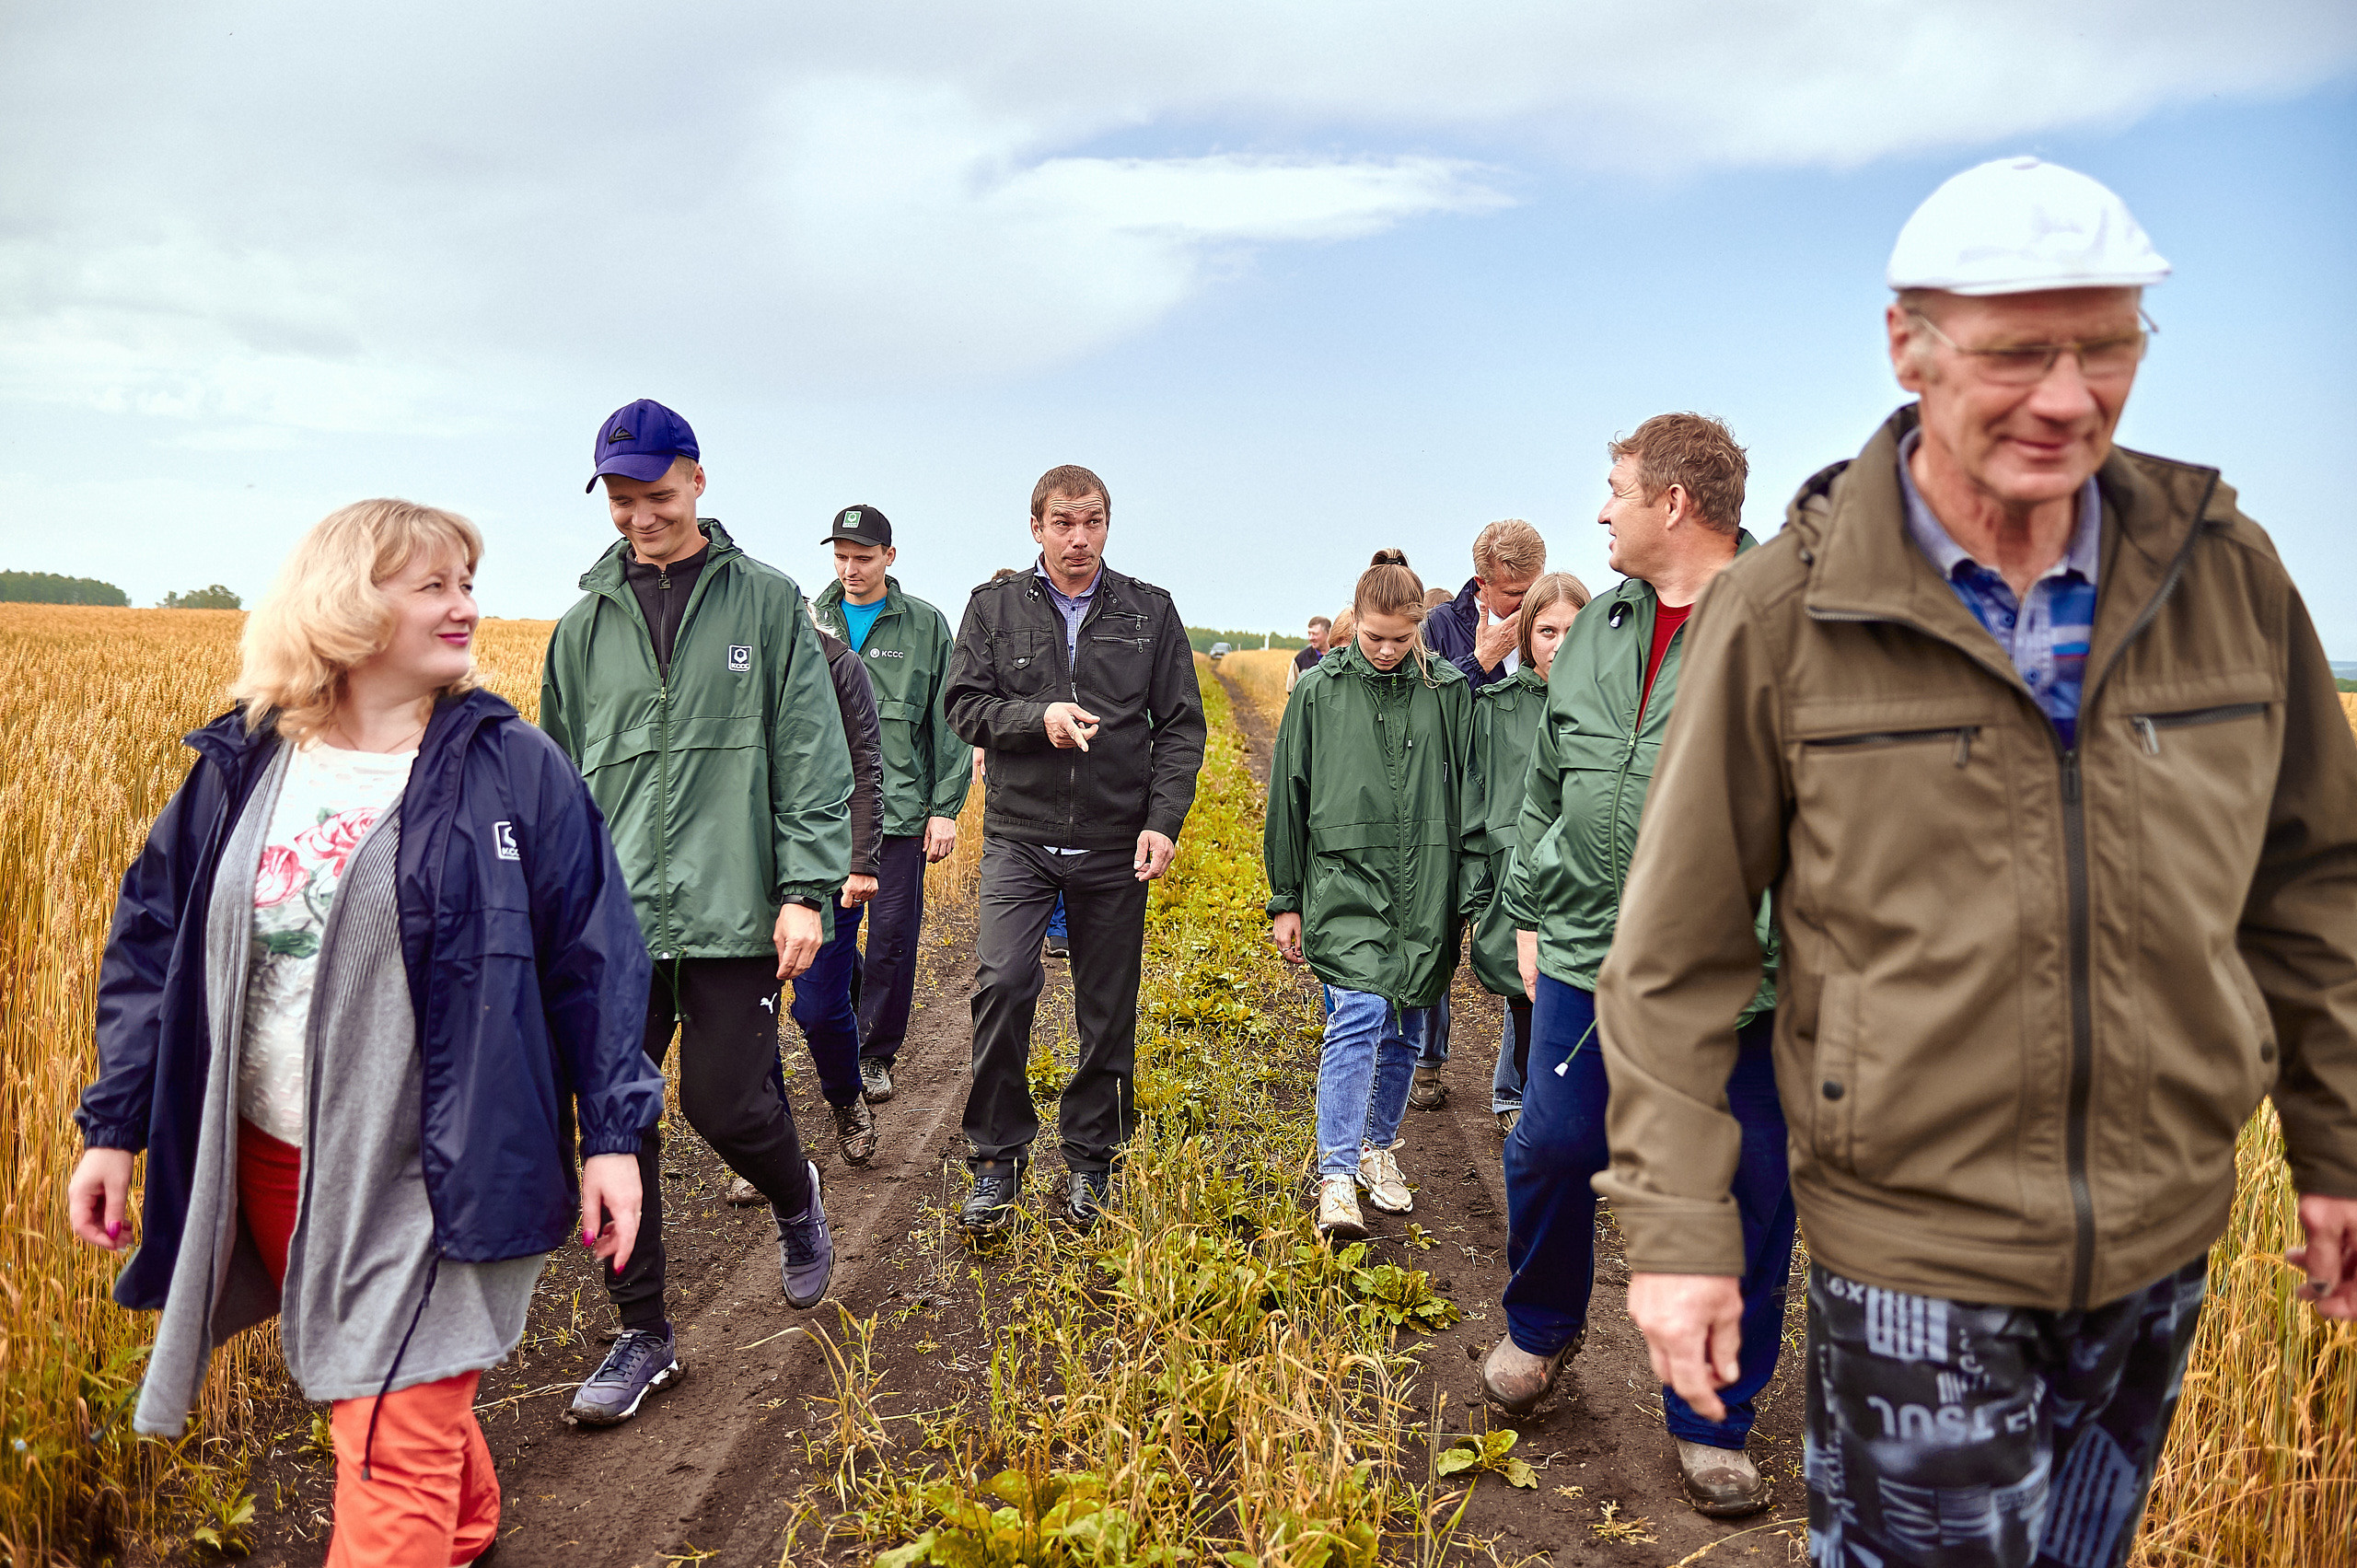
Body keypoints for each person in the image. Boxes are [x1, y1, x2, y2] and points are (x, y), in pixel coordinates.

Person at [1598, 158, 2357, 1568]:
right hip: (1914, 1249)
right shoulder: (1789, 607)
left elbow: (2314, 882)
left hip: (2158, 1236)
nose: (2069, 395)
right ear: (1911, 346)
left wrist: (2340, 1139)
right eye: (2018, 350)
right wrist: (1682, 1224)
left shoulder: (2228, 572)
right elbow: (1678, 952)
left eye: (2109, 344)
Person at [68, 501, 662, 1565]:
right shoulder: (245, 761)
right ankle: (469, 1523)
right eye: (432, 584)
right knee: (381, 1385)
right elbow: (153, 938)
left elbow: (595, 955)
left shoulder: (511, 768)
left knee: (389, 1434)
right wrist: (115, 1125)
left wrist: (614, 1136)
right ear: (348, 601)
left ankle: (432, 1522)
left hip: (438, 1164)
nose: (465, 605)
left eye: (467, 581)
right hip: (273, 1158)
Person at [1487, 413, 1789, 1521]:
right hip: (1581, 945)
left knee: (1747, 1191)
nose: (1601, 508)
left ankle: (1712, 1423)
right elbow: (1550, 769)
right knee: (1555, 1143)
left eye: (1614, 488)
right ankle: (1540, 1328)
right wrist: (1530, 895)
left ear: (1672, 503)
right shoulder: (1604, 622)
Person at [540, 399, 854, 1425]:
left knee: (724, 1104)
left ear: (699, 482)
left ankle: (795, 1194)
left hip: (732, 910)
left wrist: (805, 887)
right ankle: (644, 1331)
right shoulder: (580, 629)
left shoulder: (765, 604)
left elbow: (811, 750)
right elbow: (557, 787)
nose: (641, 517)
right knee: (615, 1123)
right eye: (624, 501)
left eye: (658, 496)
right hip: (615, 924)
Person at [943, 464, 1206, 1233]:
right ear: (1036, 528)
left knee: (1107, 1005)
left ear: (1107, 525)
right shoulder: (992, 609)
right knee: (1003, 980)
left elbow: (1181, 727)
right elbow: (963, 705)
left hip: (1114, 837)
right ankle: (996, 1159)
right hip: (1021, 835)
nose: (1079, 537)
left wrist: (1162, 819)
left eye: (1092, 521)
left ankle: (1093, 1159)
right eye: (1063, 522)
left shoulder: (1149, 612)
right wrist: (1038, 717)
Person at [1267, 550, 1481, 1240]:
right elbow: (1288, 795)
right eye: (1374, 636)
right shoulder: (1318, 690)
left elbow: (1470, 795)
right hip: (1344, 879)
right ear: (1354, 621)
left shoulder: (1449, 691)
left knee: (1406, 1025)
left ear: (1421, 625)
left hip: (1427, 887)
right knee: (1357, 1011)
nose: (1387, 650)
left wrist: (1466, 893)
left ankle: (1376, 1148)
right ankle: (1334, 1176)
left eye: (1402, 637)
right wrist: (1287, 898)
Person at [809, 505, 973, 1108]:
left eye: (863, 557)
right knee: (826, 933)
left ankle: (874, 1054)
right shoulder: (805, 619)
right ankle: (848, 1014)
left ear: (889, 557)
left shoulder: (926, 626)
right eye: (841, 557)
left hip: (899, 813)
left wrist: (945, 807)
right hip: (818, 812)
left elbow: (949, 721)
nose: (851, 569)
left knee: (892, 936)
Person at [727, 621, 885, 1202]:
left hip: (826, 860)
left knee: (819, 1005)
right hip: (747, 870)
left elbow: (866, 764)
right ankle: (768, 1145)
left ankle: (846, 1101)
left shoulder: (838, 664)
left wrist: (861, 859)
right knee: (748, 1012)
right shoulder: (728, 662)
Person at [1468, 572, 1588, 1136]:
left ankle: (1548, 1120)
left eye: (1573, 628)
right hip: (1515, 884)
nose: (1560, 643)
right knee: (1526, 997)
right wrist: (1477, 891)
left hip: (1586, 885)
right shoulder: (1497, 706)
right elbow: (1475, 798)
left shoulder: (1606, 708)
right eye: (1546, 631)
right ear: (1526, 637)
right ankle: (1521, 1104)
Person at [1422, 517, 1549, 694]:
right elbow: (1428, 703)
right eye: (1514, 593)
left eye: (1535, 588)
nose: (1528, 601)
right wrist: (1482, 660)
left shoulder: (1557, 620)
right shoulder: (1437, 625)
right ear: (1482, 583)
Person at [1285, 615, 1331, 693]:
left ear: (1328, 632)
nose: (1310, 638)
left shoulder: (1340, 656)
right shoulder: (1300, 659)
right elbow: (1291, 690)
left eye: (1315, 634)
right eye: (1309, 634)